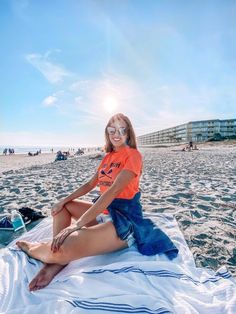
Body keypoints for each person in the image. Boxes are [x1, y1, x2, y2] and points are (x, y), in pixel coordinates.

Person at [16, 113, 178, 291]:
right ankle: (57, 260)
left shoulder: (133, 155)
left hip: (124, 220)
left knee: (60, 248)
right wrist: (63, 200)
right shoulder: (108, 157)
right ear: (107, 132)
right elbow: (90, 184)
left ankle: (35, 249)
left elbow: (112, 191)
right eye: (112, 130)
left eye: (122, 130)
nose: (117, 134)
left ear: (128, 133)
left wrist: (77, 225)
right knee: (63, 208)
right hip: (105, 212)